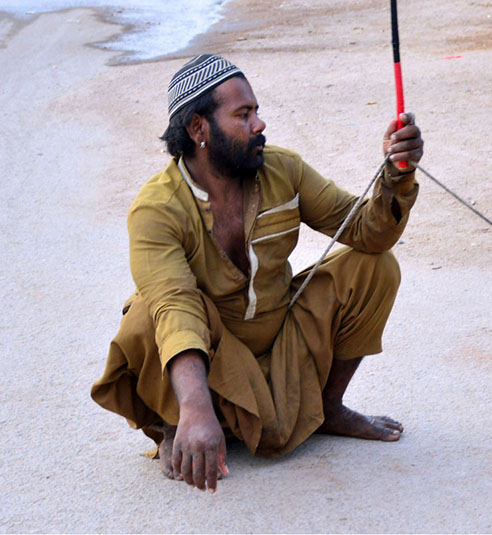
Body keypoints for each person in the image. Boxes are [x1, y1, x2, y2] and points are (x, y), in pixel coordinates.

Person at [91, 54, 424, 492]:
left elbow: (366, 231)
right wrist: (193, 406)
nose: (260, 124)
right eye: (243, 115)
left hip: (282, 338)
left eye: (257, 111)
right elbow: (176, 304)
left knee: (373, 266)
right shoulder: (156, 208)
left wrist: (397, 174)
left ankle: (328, 407)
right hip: (210, 355)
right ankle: (177, 421)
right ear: (198, 128)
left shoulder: (283, 169)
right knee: (144, 316)